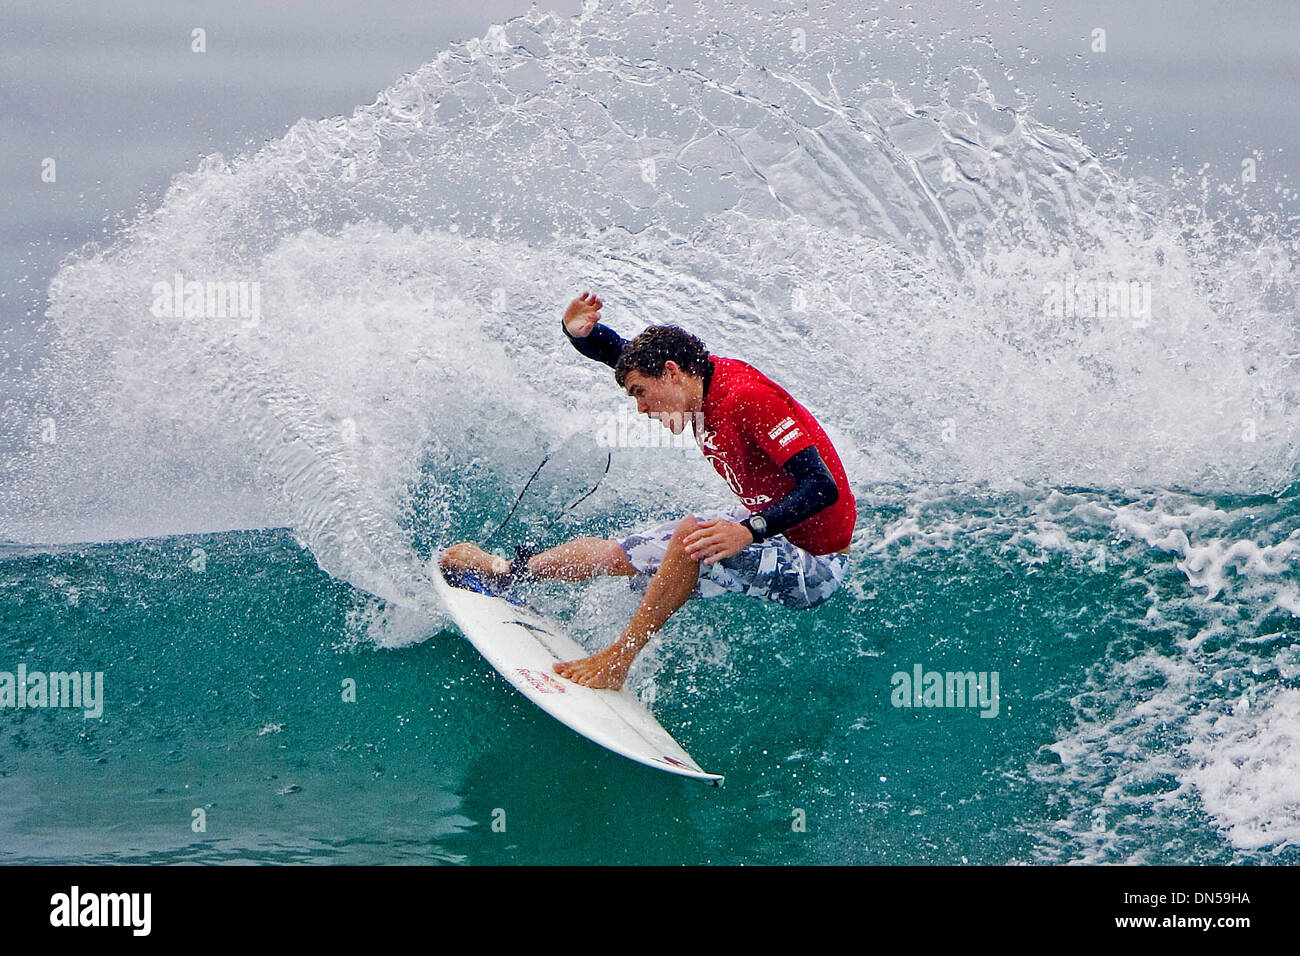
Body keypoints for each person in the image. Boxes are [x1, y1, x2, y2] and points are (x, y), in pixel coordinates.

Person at [440, 291, 856, 689]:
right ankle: (506, 575)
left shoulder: (748, 399)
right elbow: (616, 352)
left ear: (672, 372)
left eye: (641, 393)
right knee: (621, 552)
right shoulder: (694, 384)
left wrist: (750, 531)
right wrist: (578, 333)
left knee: (690, 538)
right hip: (767, 521)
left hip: (815, 563)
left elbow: (823, 487)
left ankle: (616, 663)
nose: (640, 408)